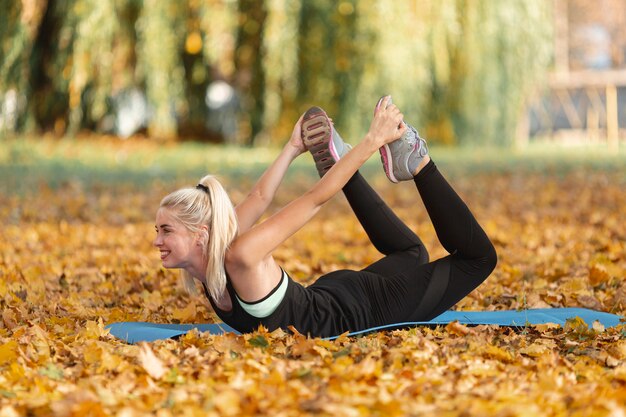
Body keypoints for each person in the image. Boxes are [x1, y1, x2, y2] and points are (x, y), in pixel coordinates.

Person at [153, 96, 497, 338]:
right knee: (412, 255)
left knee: (479, 259)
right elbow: (259, 197)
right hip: (335, 297)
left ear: (199, 233)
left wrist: (373, 140)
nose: (157, 241)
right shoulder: (217, 247)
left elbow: (316, 198)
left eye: (166, 230)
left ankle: (417, 164)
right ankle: (353, 161)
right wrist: (291, 148)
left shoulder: (241, 255)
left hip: (362, 310)